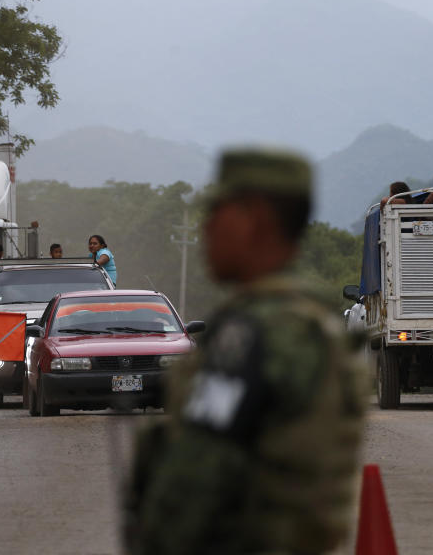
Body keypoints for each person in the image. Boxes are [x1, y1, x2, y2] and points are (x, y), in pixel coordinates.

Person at [123, 149, 367, 555]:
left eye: (215, 212)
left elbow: (197, 478)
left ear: (252, 217)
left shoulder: (253, 332)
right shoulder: (312, 319)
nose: (205, 229)